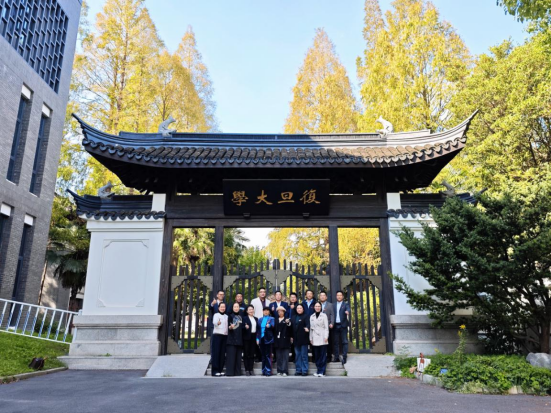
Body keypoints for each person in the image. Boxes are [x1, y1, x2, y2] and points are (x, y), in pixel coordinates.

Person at [309, 302, 329, 377]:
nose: (317, 307)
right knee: (317, 356)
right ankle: (318, 370)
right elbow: (311, 329)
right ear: (314, 307)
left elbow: (326, 328)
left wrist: (326, 337)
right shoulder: (312, 316)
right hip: (314, 337)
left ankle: (322, 371)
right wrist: (310, 338)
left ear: (321, 307)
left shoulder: (324, 315)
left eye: (318, 306)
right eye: (316, 306)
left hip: (322, 337)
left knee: (322, 355)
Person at [251, 288, 270, 362]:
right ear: (258, 293)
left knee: (265, 339)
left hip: (266, 322)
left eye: (264, 292)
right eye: (261, 292)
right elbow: (252, 311)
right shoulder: (254, 301)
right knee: (257, 339)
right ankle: (257, 356)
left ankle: (265, 356)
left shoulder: (268, 301)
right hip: (257, 321)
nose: (262, 293)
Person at [291, 303, 310, 376]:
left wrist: (307, 328)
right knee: (297, 355)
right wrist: (291, 337)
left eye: (300, 308)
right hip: (296, 339)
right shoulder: (293, 317)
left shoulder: (306, 316)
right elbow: (291, 327)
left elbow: (308, 324)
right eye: (298, 308)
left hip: (303, 338)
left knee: (304, 355)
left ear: (303, 309)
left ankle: (304, 370)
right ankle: (298, 370)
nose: (299, 309)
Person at [226, 303, 244, 376]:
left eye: (237, 307)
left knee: (238, 357)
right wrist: (230, 327)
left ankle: (237, 372)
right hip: (231, 339)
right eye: (235, 307)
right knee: (231, 357)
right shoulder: (230, 316)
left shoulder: (241, 317)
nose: (236, 308)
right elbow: (228, 326)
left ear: (239, 308)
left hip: (239, 339)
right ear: (232, 308)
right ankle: (230, 372)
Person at [333, 290, 351, 364]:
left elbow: (348, 309)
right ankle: (336, 357)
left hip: (343, 325)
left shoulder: (345, 304)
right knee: (336, 342)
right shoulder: (333, 305)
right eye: (338, 295)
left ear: (343, 296)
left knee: (344, 342)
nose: (339, 296)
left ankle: (344, 357)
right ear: (336, 296)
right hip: (335, 325)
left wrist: (347, 311)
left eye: (340, 295)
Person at [256, 307, 275, 376]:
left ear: (269, 312)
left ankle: (268, 371)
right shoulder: (260, 319)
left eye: (267, 310)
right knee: (263, 355)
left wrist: (269, 325)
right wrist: (257, 339)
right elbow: (258, 330)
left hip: (268, 339)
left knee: (268, 355)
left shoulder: (271, 319)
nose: (266, 312)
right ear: (262, 311)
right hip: (261, 338)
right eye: (264, 310)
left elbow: (273, 326)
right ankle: (263, 370)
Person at [273, 306, 292, 376]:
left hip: (285, 340)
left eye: (281, 311)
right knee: (278, 357)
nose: (280, 312)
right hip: (277, 340)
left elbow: (290, 328)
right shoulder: (275, 320)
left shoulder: (287, 319)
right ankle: (279, 370)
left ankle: (285, 371)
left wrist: (288, 323)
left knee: (285, 357)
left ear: (284, 312)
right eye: (278, 311)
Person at [211, 302, 228, 377]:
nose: (223, 308)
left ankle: (220, 370)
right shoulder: (216, 315)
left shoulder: (226, 316)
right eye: (221, 307)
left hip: (225, 336)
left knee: (222, 354)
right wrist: (217, 323)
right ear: (218, 308)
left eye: (224, 307)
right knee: (216, 353)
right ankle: (215, 371)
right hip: (217, 336)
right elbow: (214, 322)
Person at [318, 291, 335, 362]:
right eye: (321, 295)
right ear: (319, 297)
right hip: (318, 327)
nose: (322, 297)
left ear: (326, 297)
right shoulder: (317, 304)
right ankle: (320, 356)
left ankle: (329, 357)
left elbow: (332, 315)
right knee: (319, 342)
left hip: (327, 326)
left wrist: (332, 323)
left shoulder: (330, 305)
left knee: (328, 342)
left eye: (323, 295)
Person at [209, 290, 225, 356]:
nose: (221, 295)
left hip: (223, 326)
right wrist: (212, 304)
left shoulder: (225, 304)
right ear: (217, 295)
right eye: (220, 294)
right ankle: (212, 357)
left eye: (222, 294)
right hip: (215, 326)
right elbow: (210, 308)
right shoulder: (214, 303)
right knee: (213, 342)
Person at [242, 305, 258, 376]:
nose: (251, 310)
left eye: (252, 309)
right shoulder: (244, 318)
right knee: (246, 354)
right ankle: (247, 369)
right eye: (250, 309)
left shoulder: (256, 319)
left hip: (254, 337)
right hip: (246, 337)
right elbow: (241, 327)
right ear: (247, 311)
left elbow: (257, 329)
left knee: (252, 354)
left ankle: (251, 369)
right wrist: (245, 327)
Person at [288, 292, 299, 362]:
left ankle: (296, 357)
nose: (292, 298)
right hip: (288, 325)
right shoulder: (288, 305)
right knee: (290, 341)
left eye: (294, 297)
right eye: (291, 297)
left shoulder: (298, 306)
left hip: (296, 325)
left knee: (295, 342)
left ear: (296, 298)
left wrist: (294, 308)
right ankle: (292, 356)